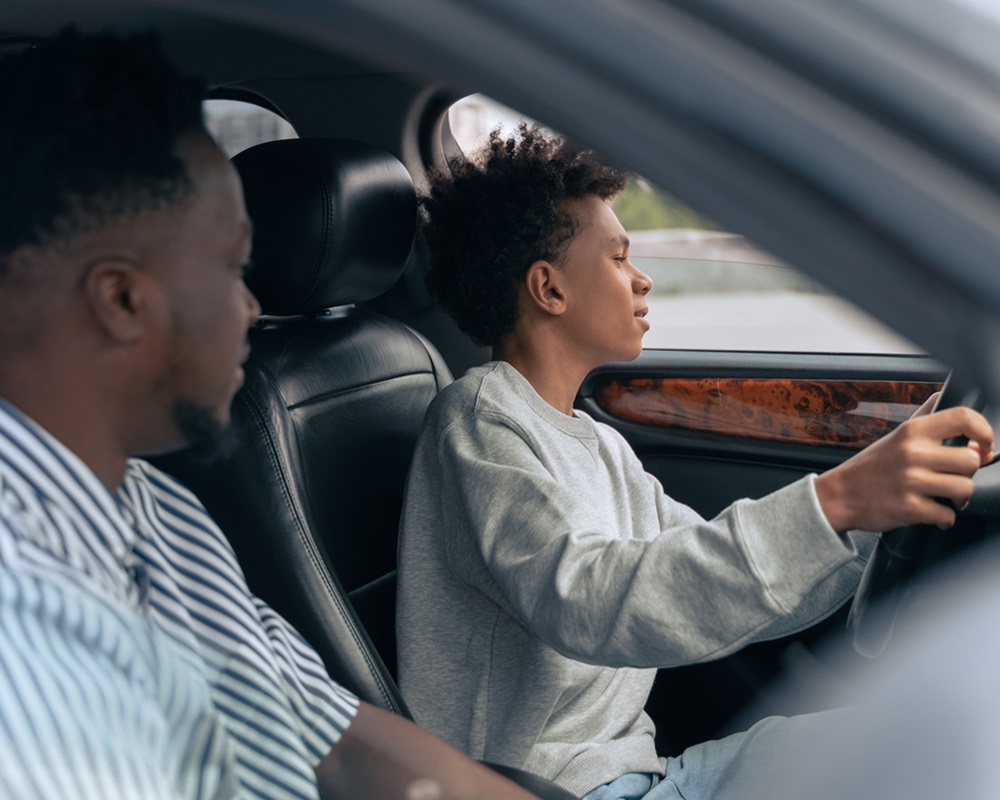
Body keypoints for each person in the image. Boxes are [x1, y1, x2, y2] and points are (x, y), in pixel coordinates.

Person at [0, 29, 540, 800]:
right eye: (231, 266)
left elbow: (343, 742)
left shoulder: (156, 509)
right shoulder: (21, 611)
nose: (254, 308)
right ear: (121, 300)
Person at [395, 125, 995, 799]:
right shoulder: (481, 421)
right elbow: (591, 599)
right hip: (550, 789)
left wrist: (861, 526)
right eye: (619, 258)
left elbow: (707, 583)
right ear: (549, 289)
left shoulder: (594, 441)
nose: (642, 278)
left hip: (643, 775)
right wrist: (838, 501)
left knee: (928, 738)